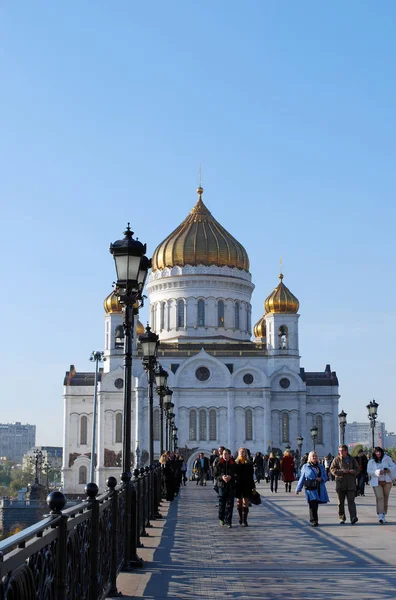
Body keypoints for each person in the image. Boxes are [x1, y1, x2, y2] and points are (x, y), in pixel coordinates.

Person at [296, 450, 329, 526]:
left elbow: (325, 476)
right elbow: (302, 478)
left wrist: (321, 479)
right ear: (309, 458)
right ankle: (313, 520)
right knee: (312, 504)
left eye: (315, 456)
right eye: (313, 456)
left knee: (315, 504)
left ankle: (315, 519)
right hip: (310, 488)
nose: (314, 457)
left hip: (319, 487)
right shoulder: (305, 467)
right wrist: (298, 488)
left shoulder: (320, 466)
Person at [330, 444, 359, 524]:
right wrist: (342, 471)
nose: (341, 452)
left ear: (346, 451)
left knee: (351, 502)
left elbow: (357, 469)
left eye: (342, 450)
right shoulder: (336, 460)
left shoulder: (352, 459)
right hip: (340, 484)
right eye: (339, 451)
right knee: (340, 502)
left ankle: (353, 517)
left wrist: (353, 472)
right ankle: (342, 517)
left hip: (351, 484)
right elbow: (332, 470)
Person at [367, 447, 396, 524]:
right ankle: (380, 515)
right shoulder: (372, 461)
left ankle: (383, 514)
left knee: (385, 498)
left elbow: (393, 466)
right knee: (380, 497)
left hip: (387, 481)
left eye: (379, 452)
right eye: (376, 452)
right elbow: (369, 470)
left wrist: (388, 469)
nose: (378, 453)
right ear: (374, 453)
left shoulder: (387, 458)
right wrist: (377, 472)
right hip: (377, 482)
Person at [213, 448, 236, 528]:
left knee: (230, 504)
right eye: (224, 454)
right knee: (222, 503)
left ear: (229, 455)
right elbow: (215, 475)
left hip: (231, 486)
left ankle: (228, 521)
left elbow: (236, 475)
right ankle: (221, 518)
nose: (225, 455)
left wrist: (231, 477)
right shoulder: (219, 463)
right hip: (222, 486)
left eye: (226, 454)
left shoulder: (233, 464)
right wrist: (222, 477)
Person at [235, 447, 255, 526]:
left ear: (245, 453)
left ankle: (245, 519)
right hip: (238, 484)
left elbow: (251, 476)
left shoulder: (249, 463)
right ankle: (240, 517)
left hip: (246, 484)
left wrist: (253, 486)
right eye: (240, 452)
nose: (241, 453)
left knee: (245, 502)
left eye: (243, 452)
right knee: (239, 502)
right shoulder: (235, 463)